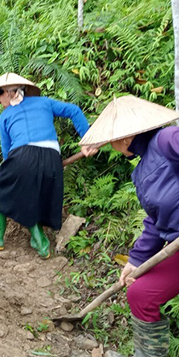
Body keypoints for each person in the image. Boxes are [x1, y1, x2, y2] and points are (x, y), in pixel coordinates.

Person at [79, 95, 179, 357]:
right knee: (141, 294)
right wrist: (136, 259)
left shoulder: (168, 139)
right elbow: (156, 221)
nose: (110, 144)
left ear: (125, 138)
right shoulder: (142, 169)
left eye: (111, 138)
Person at [0, 73, 91, 259]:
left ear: (9, 92)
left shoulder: (5, 116)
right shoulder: (44, 102)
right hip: (52, 158)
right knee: (31, 196)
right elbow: (74, 110)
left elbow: (7, 153)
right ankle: (40, 243)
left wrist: (12, 173)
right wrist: (87, 139)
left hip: (22, 156)